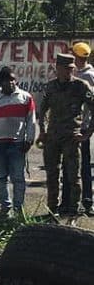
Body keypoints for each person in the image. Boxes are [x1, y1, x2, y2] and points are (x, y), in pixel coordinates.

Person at [38, 53, 94, 217]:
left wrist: (87, 133)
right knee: (52, 175)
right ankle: (52, 208)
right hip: (53, 137)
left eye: (71, 68)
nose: (68, 72)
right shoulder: (51, 87)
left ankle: (73, 209)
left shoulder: (81, 86)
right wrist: (42, 130)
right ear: (58, 69)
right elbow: (42, 110)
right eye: (65, 68)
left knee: (73, 175)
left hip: (71, 136)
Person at [0, 67, 36, 218]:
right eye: (6, 80)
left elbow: (31, 121)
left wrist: (29, 140)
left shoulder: (25, 98)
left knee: (18, 178)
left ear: (15, 80)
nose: (10, 83)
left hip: (17, 145)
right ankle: (5, 209)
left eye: (12, 79)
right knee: (1, 179)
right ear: (0, 83)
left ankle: (18, 210)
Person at [72, 42, 94, 214]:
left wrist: (88, 132)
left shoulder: (89, 76)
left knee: (83, 166)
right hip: (72, 126)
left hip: (81, 127)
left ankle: (86, 200)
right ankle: (74, 200)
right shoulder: (73, 72)